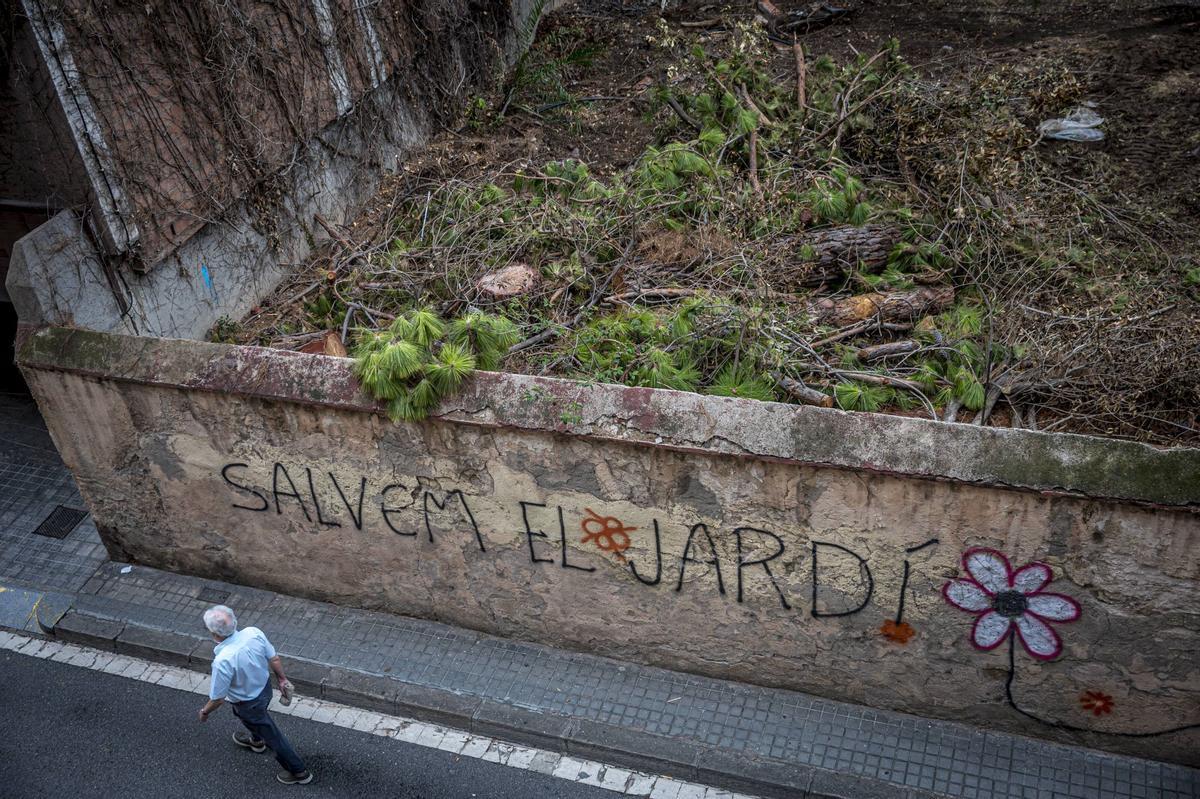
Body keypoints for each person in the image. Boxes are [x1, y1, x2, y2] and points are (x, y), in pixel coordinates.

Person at [197, 605, 313, 785]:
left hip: (247, 703)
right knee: (253, 721)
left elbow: (218, 698)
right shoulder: (253, 632)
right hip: (264, 690)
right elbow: (274, 658)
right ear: (234, 621)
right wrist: (282, 679)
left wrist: (205, 712)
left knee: (273, 736)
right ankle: (256, 741)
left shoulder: (223, 661)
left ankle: (299, 771)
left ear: (214, 633)